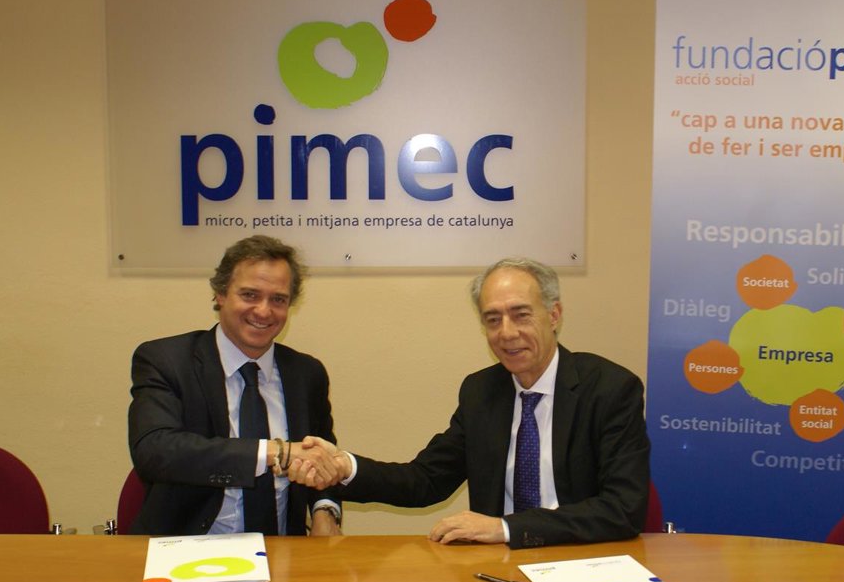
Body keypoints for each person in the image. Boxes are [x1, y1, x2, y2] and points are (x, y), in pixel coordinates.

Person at [290, 257, 651, 548]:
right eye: (493, 319)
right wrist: (345, 467)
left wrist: (506, 528)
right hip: (498, 569)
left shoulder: (610, 389)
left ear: (553, 315)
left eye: (521, 315)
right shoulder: (482, 392)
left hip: (584, 562)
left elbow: (623, 508)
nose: (507, 333)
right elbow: (426, 480)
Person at [127, 235, 344, 536]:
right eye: (250, 295)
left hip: (286, 550)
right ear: (220, 294)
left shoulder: (306, 373)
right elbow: (155, 451)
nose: (264, 311)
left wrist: (325, 510)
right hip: (187, 547)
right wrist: (276, 452)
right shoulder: (167, 360)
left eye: (278, 299)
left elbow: (322, 458)